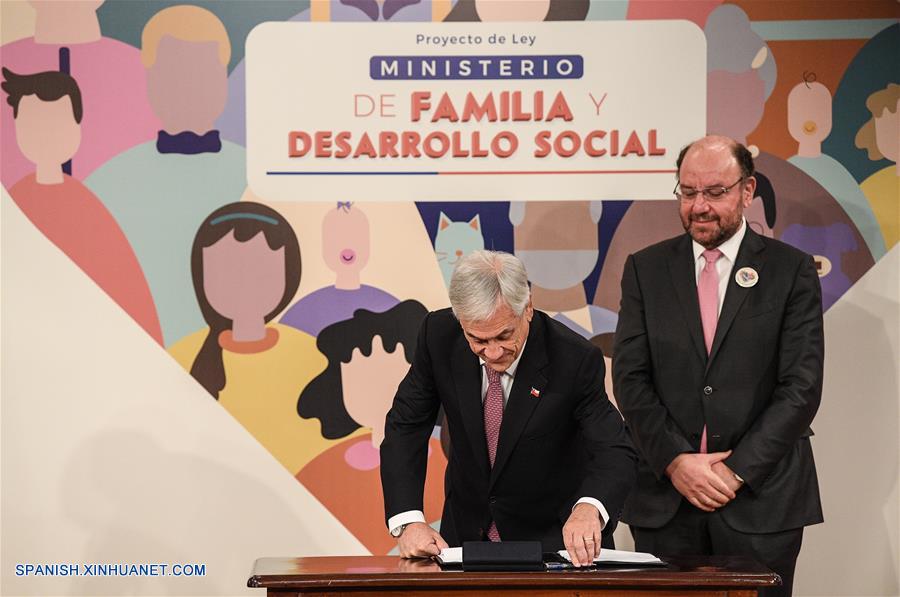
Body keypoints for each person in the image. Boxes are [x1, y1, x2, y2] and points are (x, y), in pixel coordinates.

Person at [613, 135, 824, 596]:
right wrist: (674, 462)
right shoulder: (644, 270)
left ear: (747, 191)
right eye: (687, 193)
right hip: (666, 503)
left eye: (714, 192)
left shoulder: (792, 271)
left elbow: (801, 387)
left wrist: (734, 471)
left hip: (761, 500)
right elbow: (630, 379)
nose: (699, 207)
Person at [380, 250, 637, 566]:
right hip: (465, 541)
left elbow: (615, 448)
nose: (493, 352)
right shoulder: (438, 335)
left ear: (527, 307)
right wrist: (408, 519)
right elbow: (405, 426)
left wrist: (590, 508)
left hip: (553, 546)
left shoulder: (573, 359)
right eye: (477, 339)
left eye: (504, 335)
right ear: (460, 320)